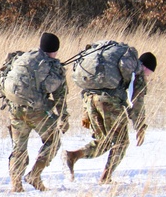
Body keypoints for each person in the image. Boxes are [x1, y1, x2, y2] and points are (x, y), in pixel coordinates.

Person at [63, 46, 156, 184]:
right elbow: (137, 103)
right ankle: (106, 177)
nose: (148, 75)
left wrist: (86, 113)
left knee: (103, 141)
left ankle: (72, 156)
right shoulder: (138, 74)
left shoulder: (117, 69)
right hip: (109, 103)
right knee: (122, 142)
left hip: (90, 99)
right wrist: (140, 126)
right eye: (150, 72)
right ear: (147, 67)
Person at [0, 32, 69, 192]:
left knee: (19, 147)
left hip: (15, 109)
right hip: (37, 111)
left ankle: (16, 185)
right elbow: (60, 96)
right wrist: (64, 117)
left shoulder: (23, 57)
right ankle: (34, 175)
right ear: (55, 50)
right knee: (54, 140)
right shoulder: (53, 67)